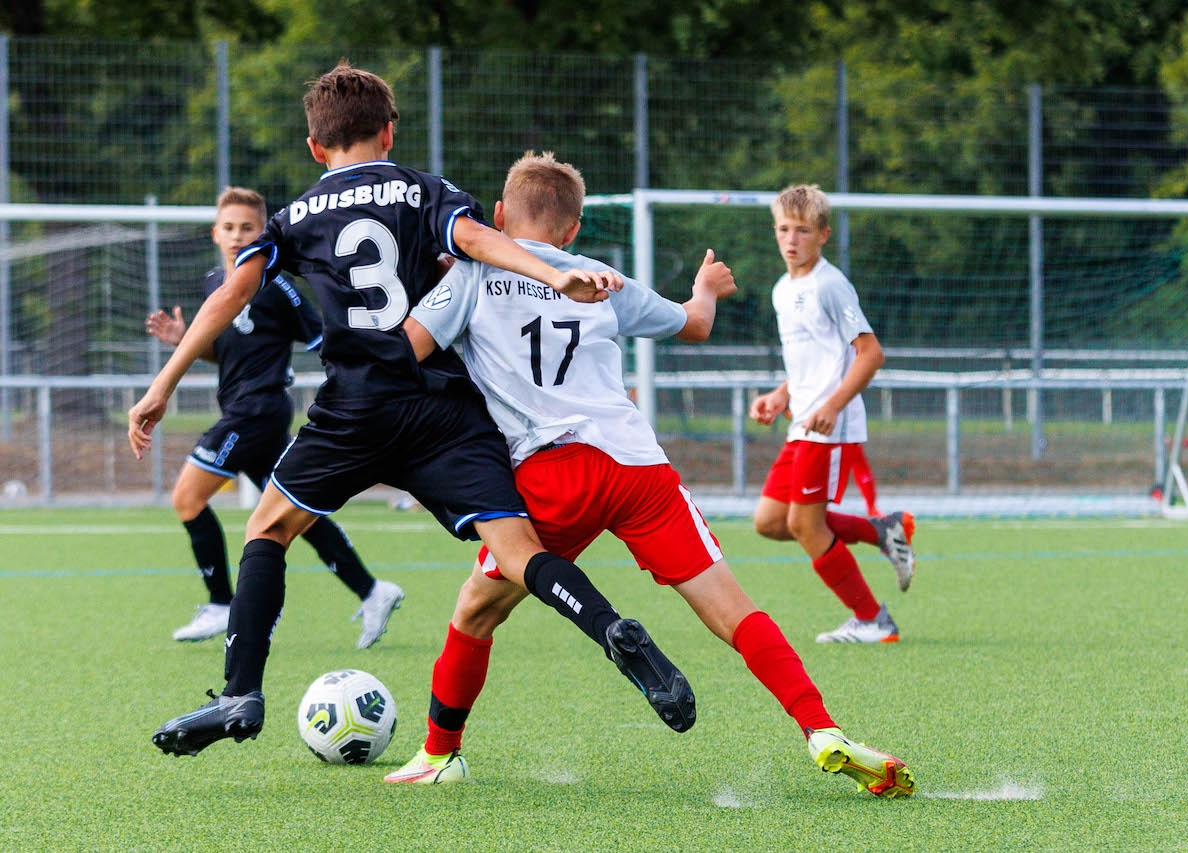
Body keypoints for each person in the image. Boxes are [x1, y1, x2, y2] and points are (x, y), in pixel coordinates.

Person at [129, 63, 692, 757]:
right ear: (389, 132)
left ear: (315, 146)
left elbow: (228, 297)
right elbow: (477, 240)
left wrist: (162, 385)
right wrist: (554, 273)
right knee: (519, 552)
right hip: (443, 409)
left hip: (355, 408)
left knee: (268, 527)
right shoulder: (426, 190)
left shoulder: (293, 217)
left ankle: (240, 691)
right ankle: (609, 627)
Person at [383, 152, 913, 798]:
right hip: (638, 466)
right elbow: (695, 323)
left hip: (548, 474)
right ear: (573, 230)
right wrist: (707, 286)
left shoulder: (472, 274)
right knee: (734, 610)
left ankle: (440, 752)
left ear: (496, 217)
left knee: (474, 614)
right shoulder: (603, 279)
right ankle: (821, 728)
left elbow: (402, 353)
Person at [147, 187, 403, 649]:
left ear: (263, 233)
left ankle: (221, 604)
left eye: (248, 228)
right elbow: (226, 351)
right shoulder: (215, 283)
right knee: (294, 514)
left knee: (187, 498)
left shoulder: (277, 285)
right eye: (229, 227)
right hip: (245, 412)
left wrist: (356, 386)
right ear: (215, 233)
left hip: (257, 412)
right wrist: (185, 339)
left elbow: (322, 338)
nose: (237, 236)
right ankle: (372, 590)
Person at [749, 184, 916, 645]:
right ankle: (882, 530)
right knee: (770, 522)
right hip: (802, 422)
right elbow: (817, 359)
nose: (791, 239)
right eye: (784, 229)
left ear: (823, 235)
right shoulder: (783, 289)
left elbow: (870, 354)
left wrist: (832, 405)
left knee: (804, 525)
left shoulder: (830, 284)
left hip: (829, 426)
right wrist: (781, 394)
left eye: (803, 230)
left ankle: (873, 619)